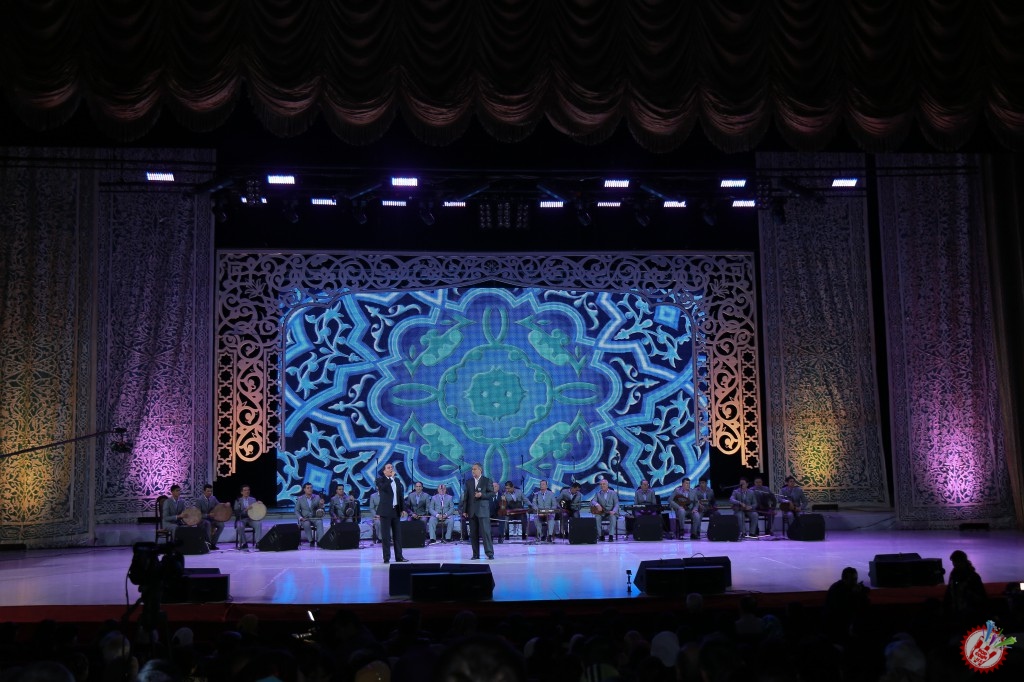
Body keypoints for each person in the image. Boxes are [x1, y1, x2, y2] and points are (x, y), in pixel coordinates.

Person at [375, 462, 408, 563]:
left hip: (395, 510)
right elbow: (383, 488)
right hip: (385, 512)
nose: (391, 469)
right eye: (388, 468)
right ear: (384, 471)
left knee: (397, 536)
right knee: (386, 536)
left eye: (391, 467)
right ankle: (386, 557)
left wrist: (403, 509)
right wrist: (390, 479)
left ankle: (399, 557)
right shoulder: (380, 480)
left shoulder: (396, 480)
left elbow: (400, 495)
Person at [824, 567, 870, 640]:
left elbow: (866, 596)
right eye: (852, 580)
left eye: (855, 579)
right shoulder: (836, 589)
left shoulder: (851, 587)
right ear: (844, 579)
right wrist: (853, 593)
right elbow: (841, 609)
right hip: (836, 625)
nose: (855, 582)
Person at [461, 462, 495, 560]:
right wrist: (465, 510)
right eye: (472, 469)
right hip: (472, 511)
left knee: (486, 533)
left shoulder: (486, 480)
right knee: (473, 534)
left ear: (480, 470)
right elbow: (466, 497)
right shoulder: (469, 482)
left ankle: (489, 553)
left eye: (475, 469)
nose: (473, 471)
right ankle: (475, 554)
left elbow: (492, 493)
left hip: (483, 511)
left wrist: (482, 495)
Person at [944, 549, 988, 623]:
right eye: (954, 562)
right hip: (956, 612)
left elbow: (981, 596)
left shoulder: (973, 577)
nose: (955, 564)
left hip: (970, 614)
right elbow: (949, 592)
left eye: (957, 562)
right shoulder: (953, 575)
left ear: (963, 562)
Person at [195, 484, 224, 549]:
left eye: (211, 491)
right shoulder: (199, 500)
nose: (210, 493)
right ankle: (208, 544)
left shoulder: (213, 498)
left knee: (221, 525)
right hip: (202, 520)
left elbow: (219, 506)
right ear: (204, 491)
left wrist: (225, 504)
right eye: (208, 491)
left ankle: (213, 543)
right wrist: (208, 515)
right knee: (208, 523)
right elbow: (198, 514)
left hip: (211, 519)